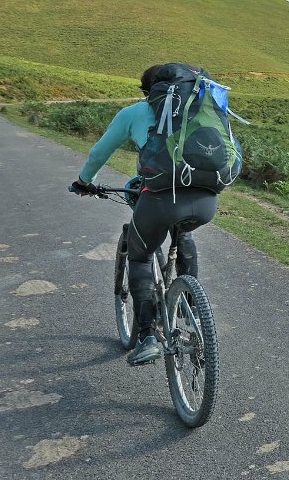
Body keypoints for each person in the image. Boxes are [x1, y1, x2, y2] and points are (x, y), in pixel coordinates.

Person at [71, 64, 219, 366]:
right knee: (183, 231)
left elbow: (99, 153)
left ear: (146, 92)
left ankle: (147, 336)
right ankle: (188, 302)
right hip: (206, 199)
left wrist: (85, 182)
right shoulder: (200, 110)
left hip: (160, 199)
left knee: (139, 255)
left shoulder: (133, 113)